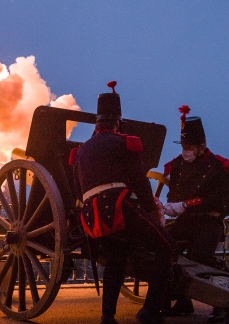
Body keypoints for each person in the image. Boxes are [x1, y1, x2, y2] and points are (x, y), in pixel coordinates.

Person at [72, 81, 176, 324]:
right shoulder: (124, 143)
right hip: (118, 206)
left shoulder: (81, 151)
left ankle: (107, 316)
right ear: (117, 122)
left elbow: (78, 191)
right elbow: (140, 183)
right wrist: (151, 214)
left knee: (115, 258)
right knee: (166, 247)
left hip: (91, 216)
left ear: (97, 123)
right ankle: (150, 311)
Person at [161, 105, 229, 322]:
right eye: (184, 146)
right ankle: (182, 300)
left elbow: (219, 201)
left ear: (202, 146)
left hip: (208, 222)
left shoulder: (219, 167)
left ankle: (223, 302)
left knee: (202, 260)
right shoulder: (177, 165)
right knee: (165, 247)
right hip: (186, 221)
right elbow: (173, 194)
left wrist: (187, 205)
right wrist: (170, 206)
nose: (185, 151)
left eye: (189, 147)